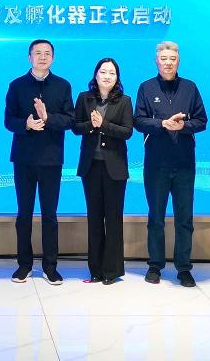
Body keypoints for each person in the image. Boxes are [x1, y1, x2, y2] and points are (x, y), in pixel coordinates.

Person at [134, 41, 207, 287]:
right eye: (164, 58)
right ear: (157, 61)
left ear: (178, 61)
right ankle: (155, 265)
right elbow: (138, 121)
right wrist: (162, 124)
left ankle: (184, 268)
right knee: (155, 217)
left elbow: (202, 121)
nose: (168, 63)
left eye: (172, 59)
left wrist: (184, 126)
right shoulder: (146, 87)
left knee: (184, 218)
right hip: (156, 163)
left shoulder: (190, 87)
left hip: (184, 163)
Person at [4, 39, 74, 285]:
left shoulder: (63, 86)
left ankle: (50, 267)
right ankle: (24, 265)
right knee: (24, 214)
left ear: (53, 58)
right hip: (23, 159)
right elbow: (8, 120)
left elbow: (69, 120)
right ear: (29, 57)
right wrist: (26, 124)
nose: (43, 57)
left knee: (49, 215)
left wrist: (48, 117)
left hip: (51, 159)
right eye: (38, 53)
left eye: (47, 53)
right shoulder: (16, 85)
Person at [72, 58, 133, 285]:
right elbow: (75, 127)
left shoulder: (125, 101)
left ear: (117, 78)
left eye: (112, 73)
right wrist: (91, 125)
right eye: (103, 71)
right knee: (94, 218)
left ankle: (111, 271)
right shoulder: (84, 98)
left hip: (115, 167)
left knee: (113, 218)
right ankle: (95, 270)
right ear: (96, 74)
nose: (107, 76)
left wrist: (103, 125)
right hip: (91, 166)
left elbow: (127, 131)